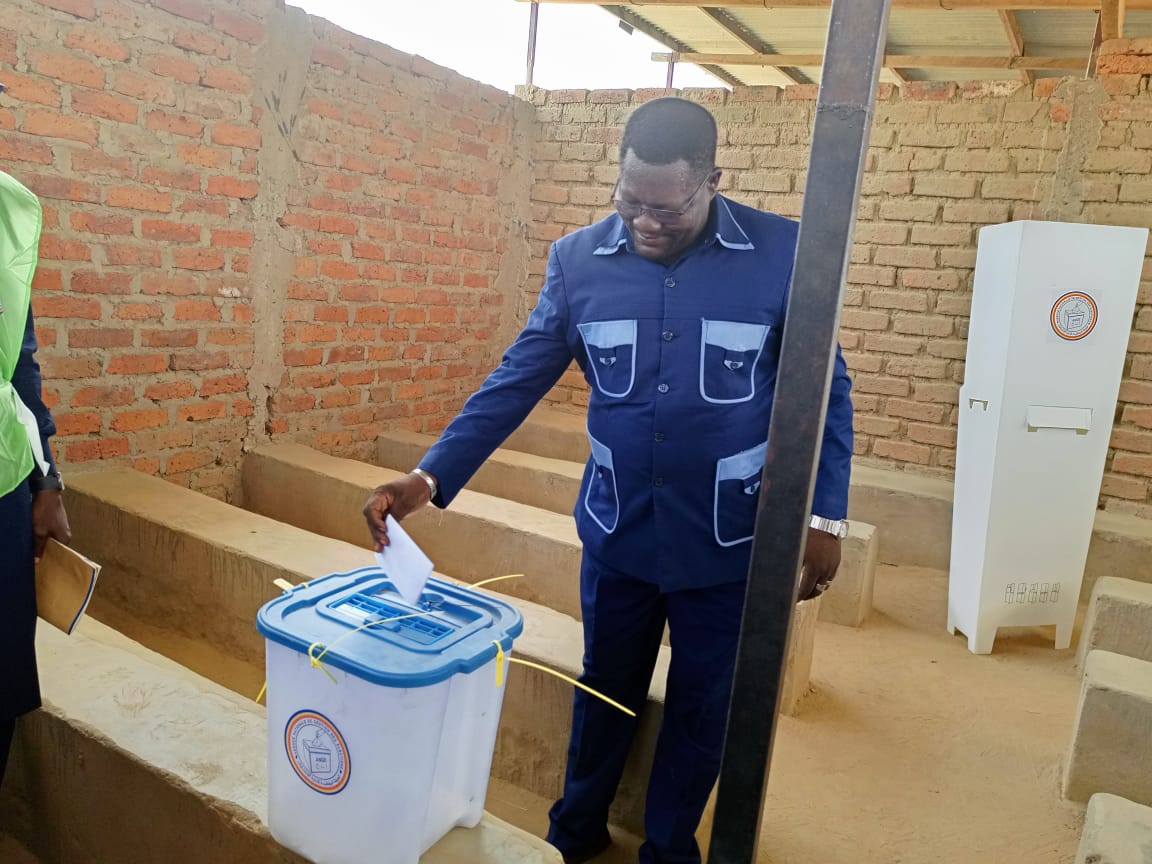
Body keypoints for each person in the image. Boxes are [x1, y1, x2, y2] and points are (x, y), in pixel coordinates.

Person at [363, 97, 853, 864]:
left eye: (668, 209)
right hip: (619, 531)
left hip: (728, 542)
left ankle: (666, 848)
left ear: (713, 182)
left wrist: (825, 521)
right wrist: (430, 477)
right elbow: (515, 380)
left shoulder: (784, 254)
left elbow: (829, 390)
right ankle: (576, 830)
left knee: (701, 706)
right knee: (604, 690)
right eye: (630, 203)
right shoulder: (578, 259)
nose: (646, 224)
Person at [1, 169, 71, 784]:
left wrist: (47, 480)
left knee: (2, 670)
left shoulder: (11, 208)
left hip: (3, 480)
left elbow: (19, 362)